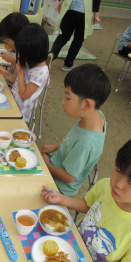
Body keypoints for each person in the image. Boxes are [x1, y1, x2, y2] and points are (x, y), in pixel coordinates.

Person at [41, 132, 131, 262]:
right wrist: (62, 199)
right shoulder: (106, 186)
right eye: (118, 170)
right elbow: (88, 205)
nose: (118, 184)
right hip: (68, 248)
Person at [41, 64, 111, 197]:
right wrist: (56, 146)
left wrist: (47, 164)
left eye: (67, 98)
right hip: (57, 164)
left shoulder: (85, 143)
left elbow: (68, 178)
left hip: (59, 188)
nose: (62, 101)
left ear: (86, 105)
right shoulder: (96, 116)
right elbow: (73, 141)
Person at [0, 23, 49, 122]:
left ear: (33, 52)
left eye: (22, 53)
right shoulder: (31, 62)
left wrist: (20, 72)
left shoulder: (41, 72)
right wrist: (6, 73)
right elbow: (19, 81)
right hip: (13, 102)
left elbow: (24, 94)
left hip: (20, 111)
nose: (20, 55)